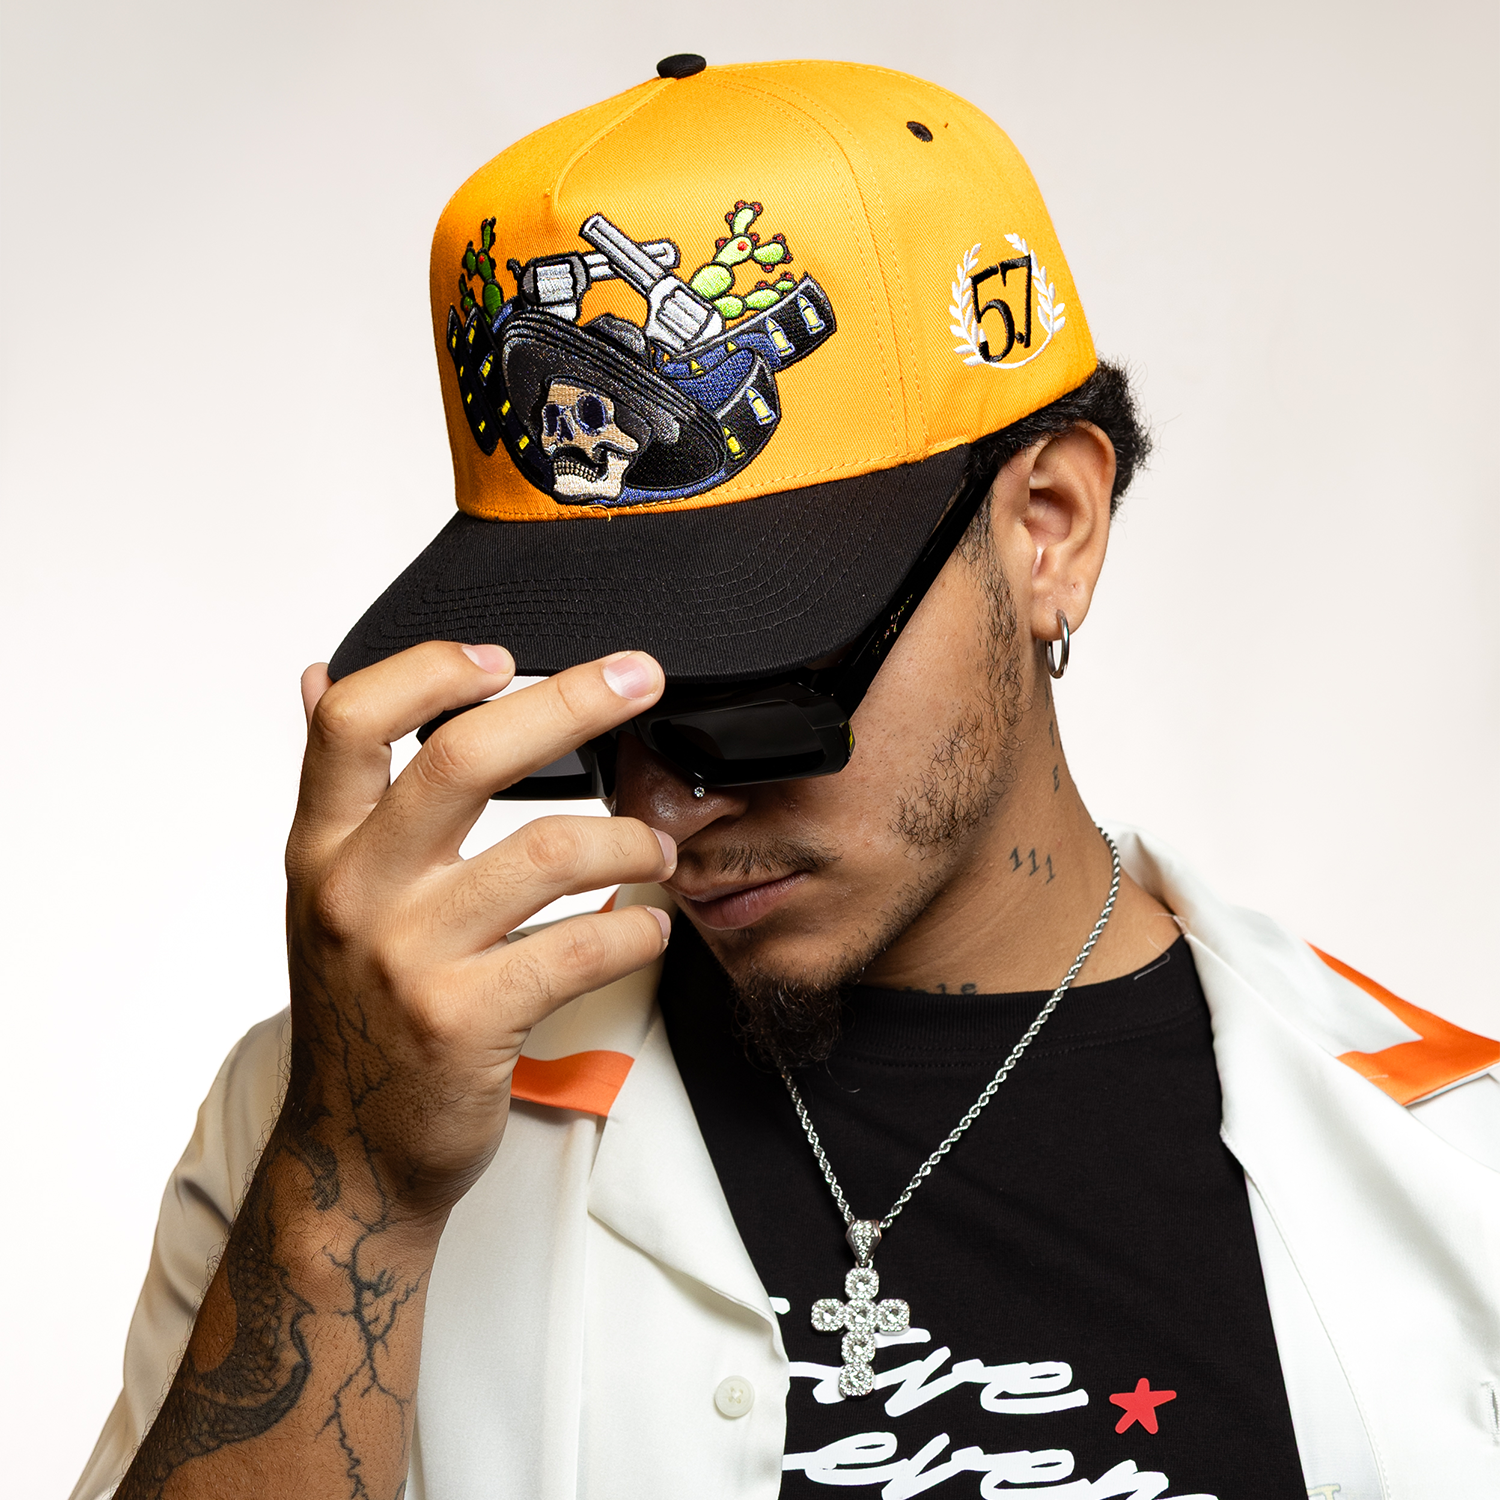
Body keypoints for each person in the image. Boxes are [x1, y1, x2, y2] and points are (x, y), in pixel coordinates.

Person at [74, 56, 1500, 1500]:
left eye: (749, 682)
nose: (656, 808)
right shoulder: (333, 1121)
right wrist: (353, 1193)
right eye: (580, 713)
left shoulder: (1458, 1170)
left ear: (1051, 527)